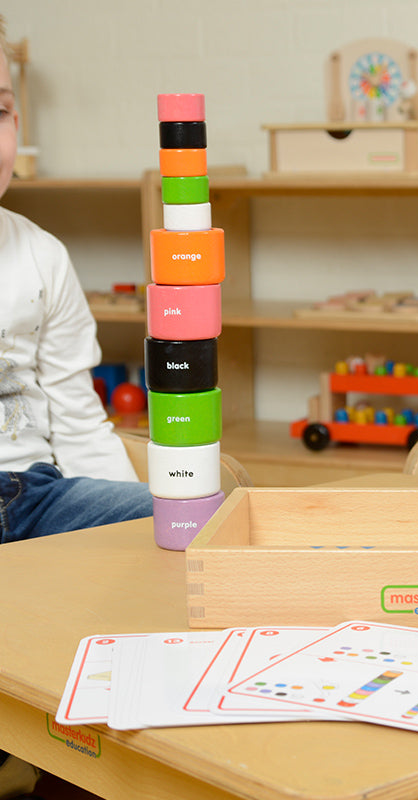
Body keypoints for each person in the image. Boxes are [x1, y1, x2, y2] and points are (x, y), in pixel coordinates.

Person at [0, 16, 152, 799]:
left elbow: (75, 412)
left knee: (192, 530)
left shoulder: (38, 252)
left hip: (33, 493)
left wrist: (135, 521)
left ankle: (88, 761)